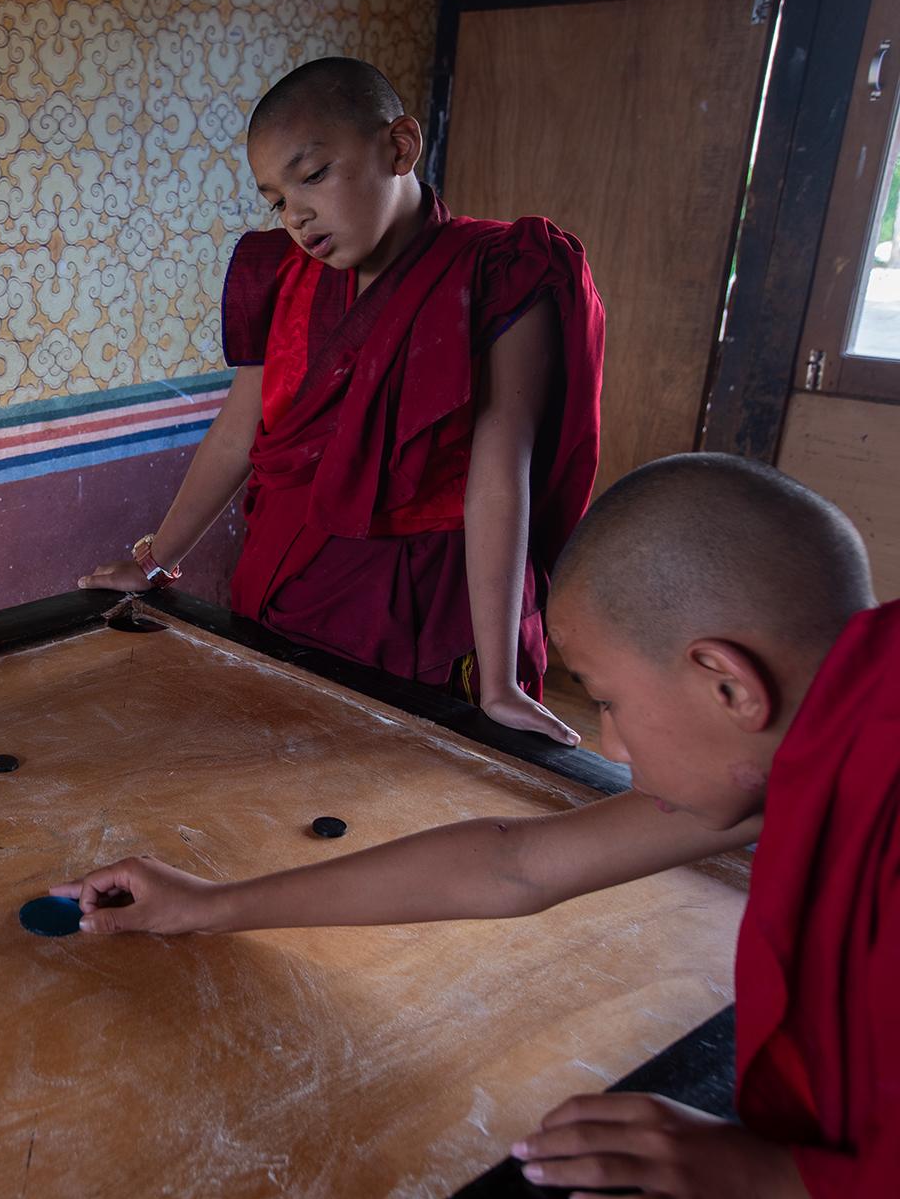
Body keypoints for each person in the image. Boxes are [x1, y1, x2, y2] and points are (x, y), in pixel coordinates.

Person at [58, 454, 894, 1199]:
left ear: (728, 684)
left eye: (606, 699)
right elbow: (514, 863)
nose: (609, 743)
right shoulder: (797, 742)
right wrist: (210, 904)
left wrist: (776, 1181)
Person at [83, 57, 604, 745]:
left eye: (314, 175)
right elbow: (241, 429)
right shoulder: (280, 276)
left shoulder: (500, 272)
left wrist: (501, 678)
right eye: (275, 198)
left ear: (399, 147)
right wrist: (154, 558)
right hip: (283, 590)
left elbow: (500, 474)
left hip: (425, 608)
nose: (296, 214)